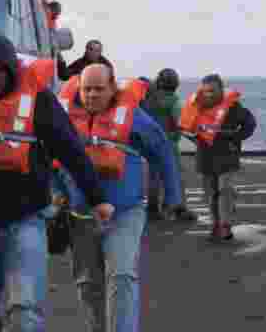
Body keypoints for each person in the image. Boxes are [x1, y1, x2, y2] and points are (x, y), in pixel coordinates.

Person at [0, 33, 112, 332]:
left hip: (26, 219)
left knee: (25, 311)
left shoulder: (38, 100)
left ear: (11, 71)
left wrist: (97, 198)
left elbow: (70, 149)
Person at [53, 63, 184, 332]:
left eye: (99, 89)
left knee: (122, 275)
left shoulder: (133, 116)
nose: (92, 95)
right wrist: (54, 194)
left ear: (113, 88)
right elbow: (43, 157)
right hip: (80, 215)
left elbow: (162, 150)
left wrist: (173, 196)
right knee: (88, 284)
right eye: (87, 89)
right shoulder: (61, 115)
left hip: (124, 212)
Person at [177, 73, 256, 241]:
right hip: (205, 155)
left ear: (220, 90)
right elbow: (185, 128)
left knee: (225, 190)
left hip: (228, 153)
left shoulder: (234, 107)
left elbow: (250, 123)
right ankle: (216, 223)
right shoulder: (195, 106)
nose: (208, 94)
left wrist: (236, 138)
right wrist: (196, 139)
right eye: (205, 91)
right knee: (210, 192)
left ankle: (225, 225)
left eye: (212, 91)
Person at [142, 69, 197, 222]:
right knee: (175, 176)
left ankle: (152, 209)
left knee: (153, 177)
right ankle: (179, 209)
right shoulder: (172, 100)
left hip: (149, 143)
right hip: (168, 143)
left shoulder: (148, 98)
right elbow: (181, 123)